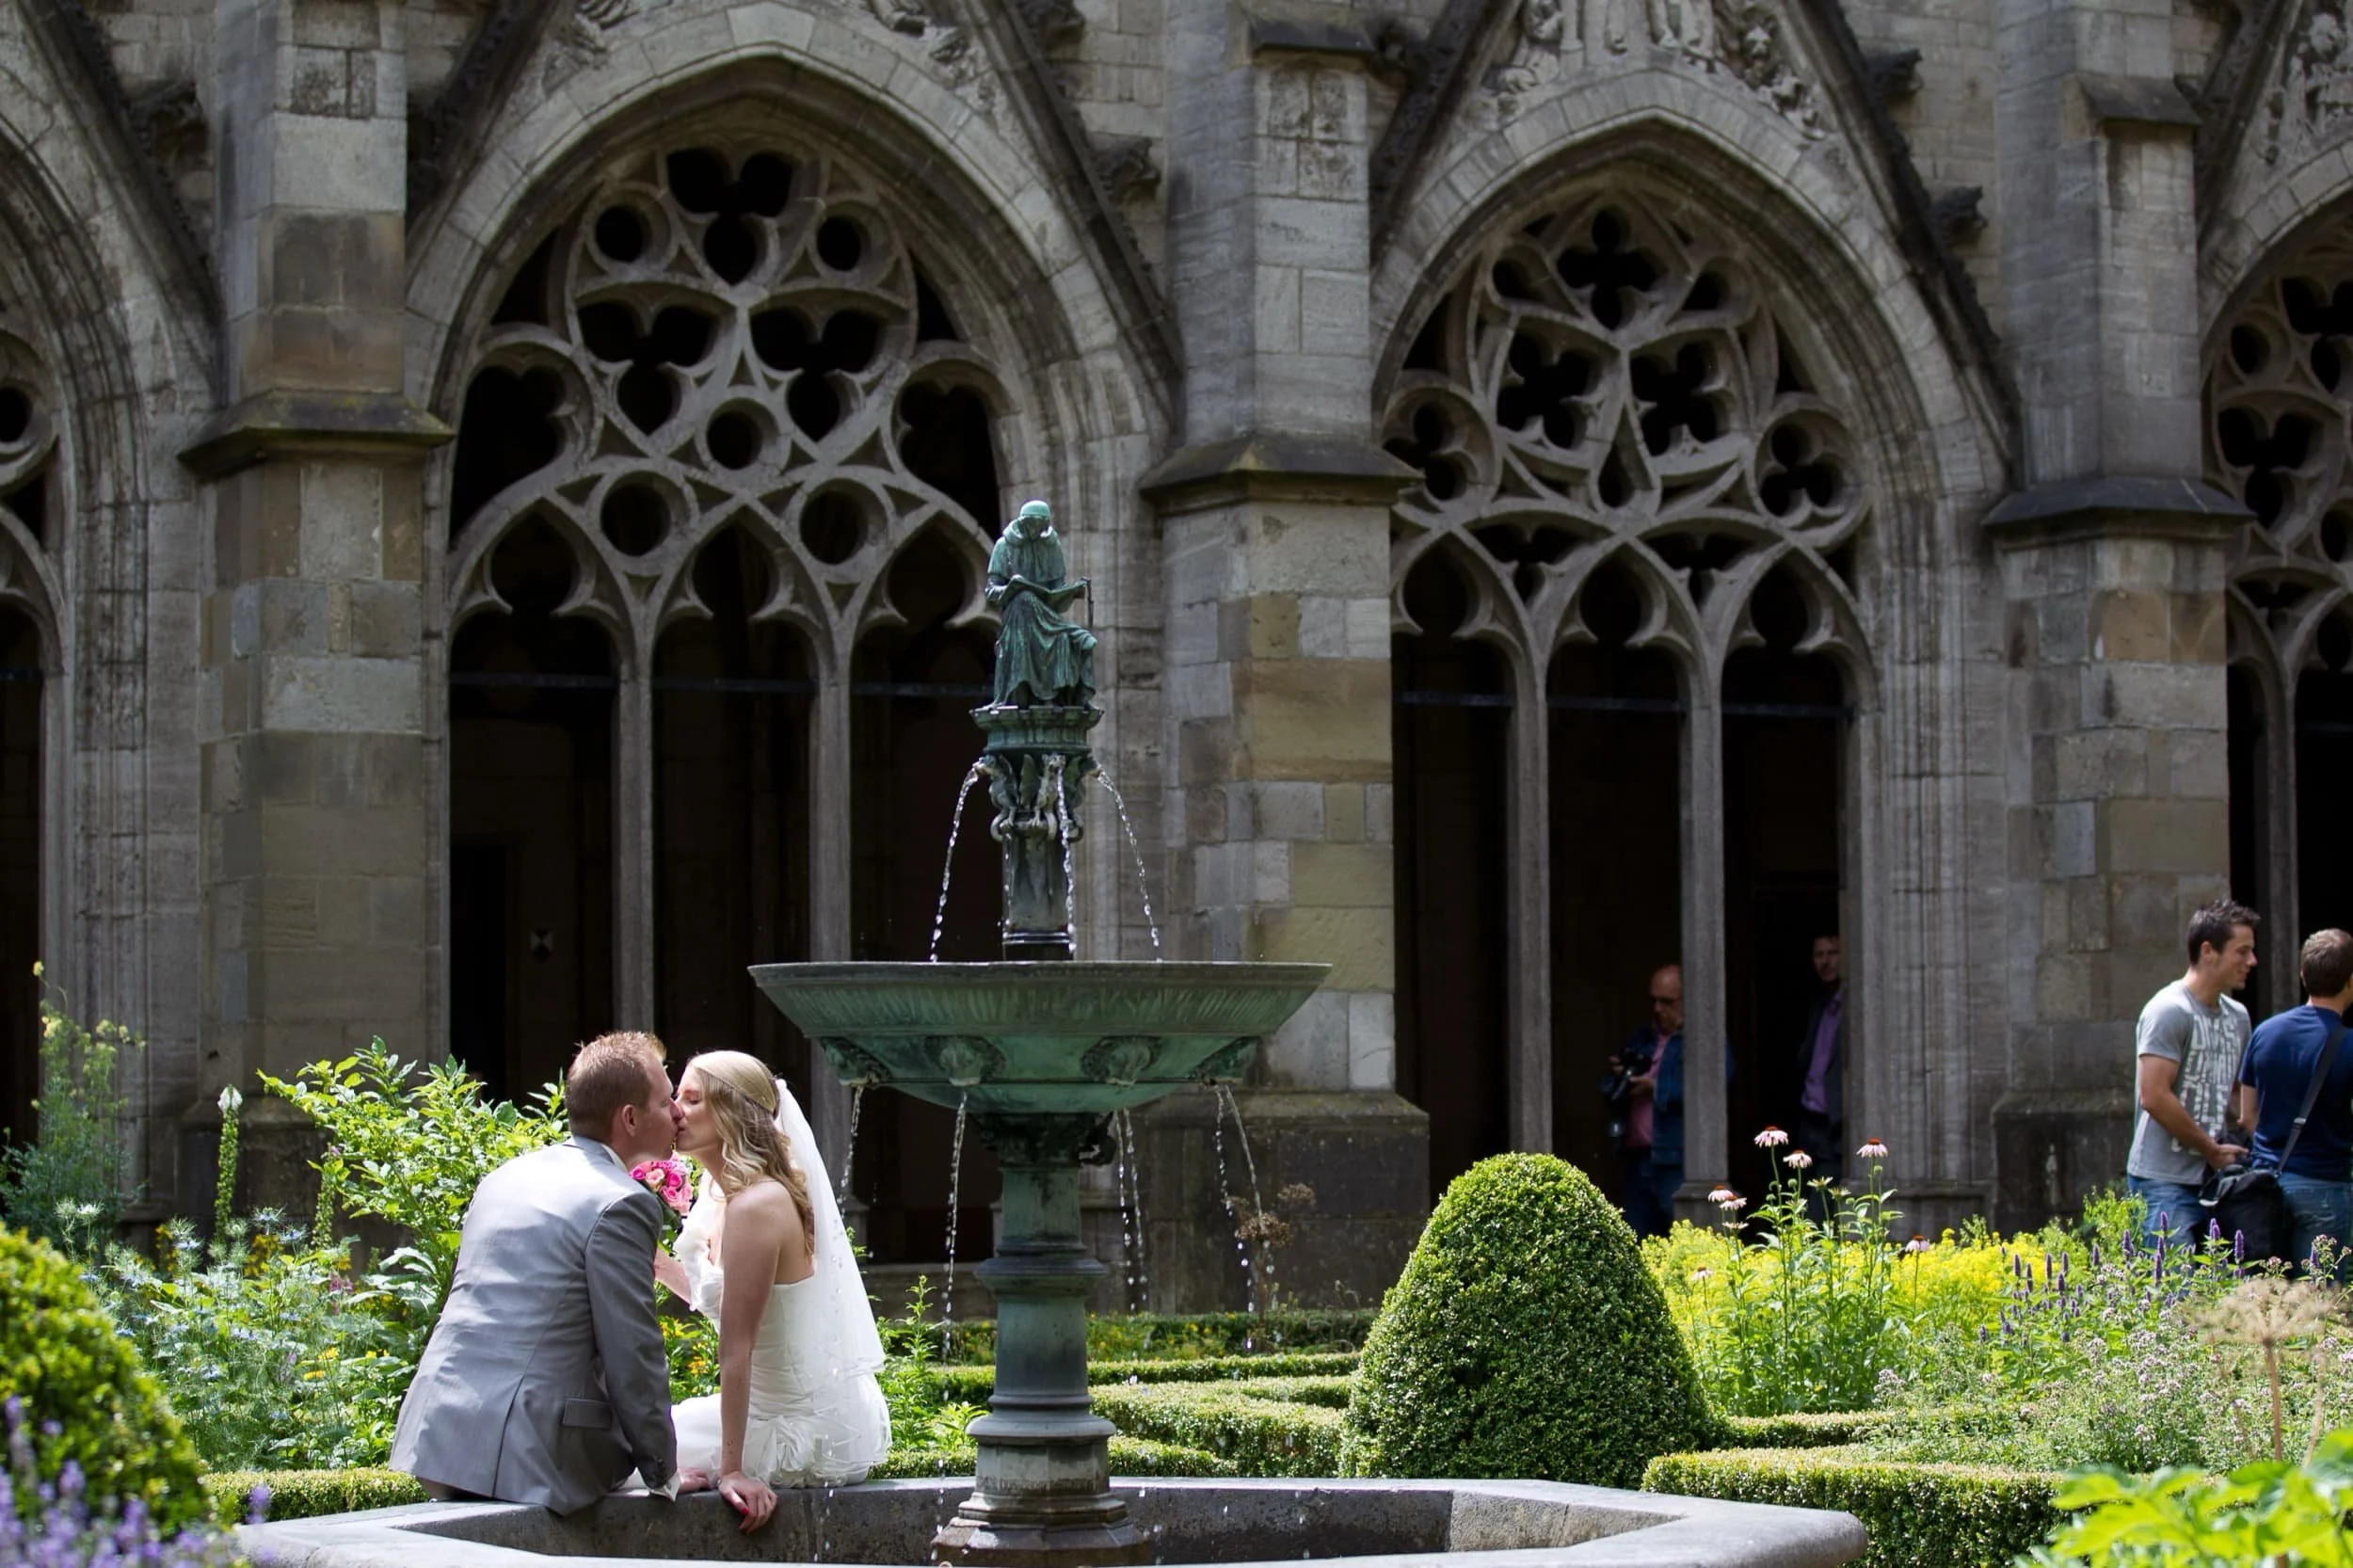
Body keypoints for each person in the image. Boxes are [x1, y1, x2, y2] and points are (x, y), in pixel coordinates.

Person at [392, 1032, 703, 1514]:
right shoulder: (622, 1202)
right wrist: (664, 1474)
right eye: (666, 1102)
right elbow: (633, 1352)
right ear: (630, 1118)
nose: (678, 1113)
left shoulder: (505, 1177)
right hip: (533, 1453)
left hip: (437, 1433)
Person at [657, 1051, 890, 1531]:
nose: (675, 1109)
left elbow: (737, 1347)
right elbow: (720, 1299)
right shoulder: (720, 1196)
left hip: (791, 1429)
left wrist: (732, 1470)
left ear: (733, 1111)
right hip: (760, 1413)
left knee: (622, 1456)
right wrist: (651, 1260)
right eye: (676, 1096)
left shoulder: (757, 1205)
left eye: (692, 1099)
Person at [2127, 900, 2259, 1247]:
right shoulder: (2169, 1010)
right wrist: (2209, 1148)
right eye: (2242, 951)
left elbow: (2235, 1092)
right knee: (2171, 1281)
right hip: (2163, 1181)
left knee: (2223, 1280)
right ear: (2208, 951)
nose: (2252, 961)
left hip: (2220, 1181)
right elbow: (2154, 1096)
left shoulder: (2238, 1017)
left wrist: (2258, 1142)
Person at [2235, 928, 2353, 1278]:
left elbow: (2246, 1116)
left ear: (2303, 975)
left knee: (2267, 1297)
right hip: (2325, 1186)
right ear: (2350, 981)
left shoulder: (2265, 1033)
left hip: (2266, 1187)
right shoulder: (2349, 1045)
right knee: (2319, 1302)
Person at [1607, 965, 1682, 1238]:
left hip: (1675, 1160)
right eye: (1654, 1001)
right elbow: (1612, 1085)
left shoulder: (1697, 1040)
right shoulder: (1644, 1037)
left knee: (1681, 1237)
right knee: (1636, 1239)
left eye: (1667, 1002)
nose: (1658, 1009)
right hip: (1638, 1158)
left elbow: (1710, 1086)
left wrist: (1656, 1087)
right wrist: (1621, 1075)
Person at [1794, 934, 1845, 1192]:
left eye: (1832, 953)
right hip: (1808, 1119)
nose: (1825, 962)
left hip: (1832, 1125)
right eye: (1819, 955)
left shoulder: (1852, 1008)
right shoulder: (1818, 1005)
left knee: (1819, 1204)